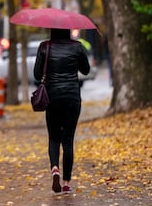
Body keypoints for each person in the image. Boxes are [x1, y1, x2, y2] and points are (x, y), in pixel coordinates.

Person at [33, 28, 90, 194]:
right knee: (68, 139)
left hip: (52, 98)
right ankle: (66, 182)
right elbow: (85, 70)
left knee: (54, 138)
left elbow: (37, 75)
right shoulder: (77, 47)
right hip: (72, 97)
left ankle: (55, 169)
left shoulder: (45, 46)